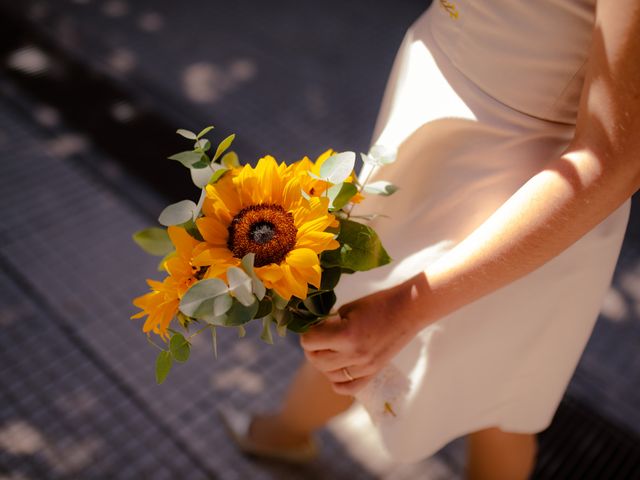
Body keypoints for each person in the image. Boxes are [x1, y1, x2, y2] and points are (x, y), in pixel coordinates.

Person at [221, 1, 639, 478]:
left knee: (493, 393)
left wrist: (408, 308)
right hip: (437, 109)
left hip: (526, 195)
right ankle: (285, 434)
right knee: (365, 326)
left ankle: (281, 435)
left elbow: (614, 158)